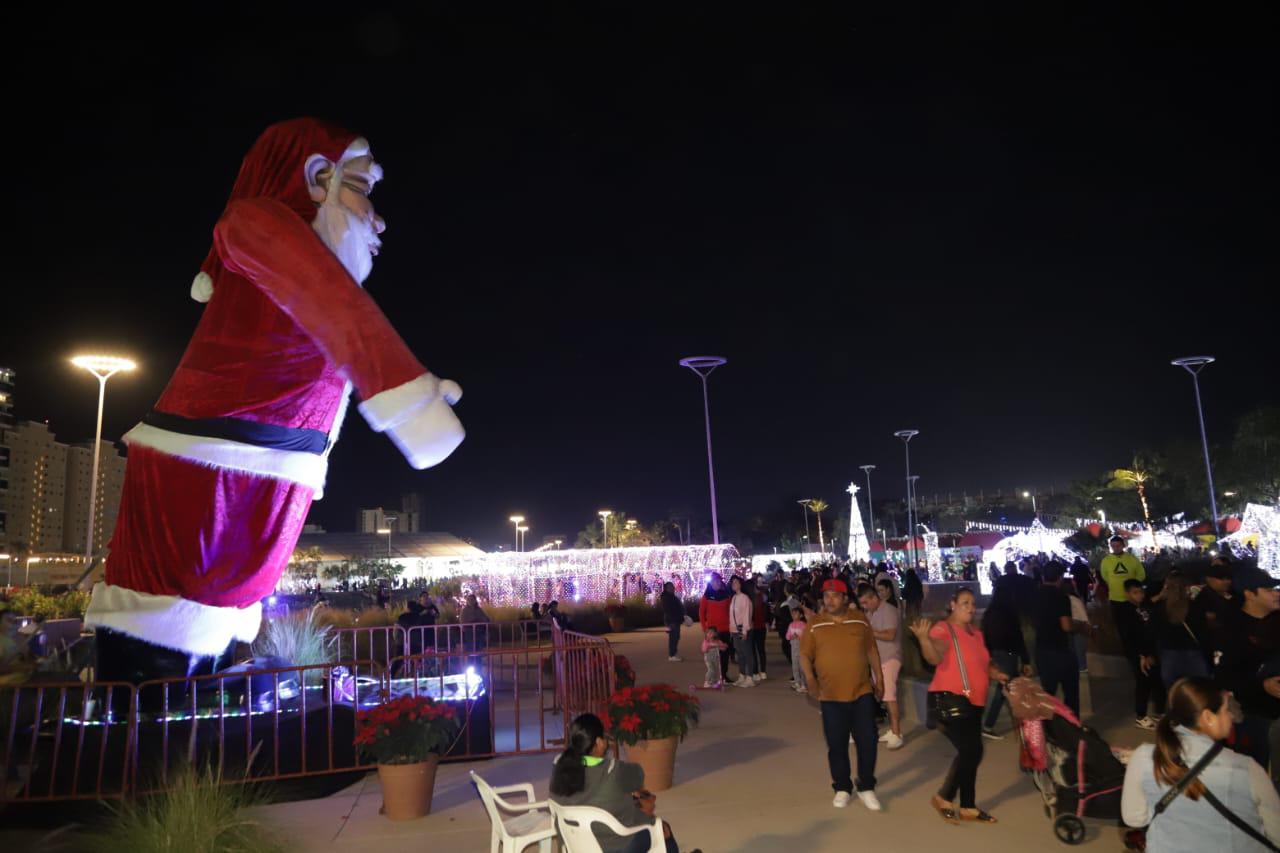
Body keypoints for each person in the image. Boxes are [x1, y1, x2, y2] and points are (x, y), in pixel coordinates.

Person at [84, 119, 465, 688]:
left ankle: (193, 721)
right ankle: (138, 722)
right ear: (316, 179)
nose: (379, 219)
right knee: (162, 629)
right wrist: (410, 401)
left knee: (223, 616)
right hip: (205, 467)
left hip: (269, 466)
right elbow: (333, 303)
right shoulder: (254, 224)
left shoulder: (317, 277)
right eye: (363, 188)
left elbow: (331, 309)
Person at [1122, 677, 1280, 852]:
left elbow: (1134, 818)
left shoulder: (1143, 757)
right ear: (1208, 717)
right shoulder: (1247, 769)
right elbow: (1277, 834)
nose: (1231, 716)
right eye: (1226, 710)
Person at [911, 587, 1005, 825]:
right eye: (965, 603)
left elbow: (983, 663)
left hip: (974, 702)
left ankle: (968, 806)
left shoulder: (976, 634)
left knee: (970, 752)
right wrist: (923, 639)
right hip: (949, 700)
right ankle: (944, 797)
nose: (971, 608)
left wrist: (997, 673)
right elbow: (934, 657)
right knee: (972, 750)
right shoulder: (944, 629)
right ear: (953, 605)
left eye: (973, 603)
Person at [550, 713, 693, 853]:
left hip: (576, 843)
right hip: (616, 846)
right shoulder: (612, 771)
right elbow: (638, 774)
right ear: (599, 742)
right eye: (604, 737)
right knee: (662, 828)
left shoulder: (558, 765)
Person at [799, 578, 884, 811]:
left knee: (868, 741)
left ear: (845, 598)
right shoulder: (815, 624)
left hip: (861, 691)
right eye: (826, 596)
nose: (830, 600)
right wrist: (810, 679)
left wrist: (879, 678)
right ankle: (842, 787)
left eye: (835, 595)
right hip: (830, 695)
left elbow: (871, 649)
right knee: (836, 744)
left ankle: (866, 785)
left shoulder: (860, 620)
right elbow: (805, 654)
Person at [1217, 566, 1280, 771]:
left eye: (1276, 589)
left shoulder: (1276, 620)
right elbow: (1224, 677)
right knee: (1256, 770)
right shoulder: (1232, 629)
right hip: (1253, 715)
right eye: (1269, 590)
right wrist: (1262, 685)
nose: (1276, 594)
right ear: (1249, 594)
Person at [980, 578, 1030, 739]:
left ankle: (992, 724)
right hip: (1009, 654)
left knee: (1005, 688)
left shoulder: (989, 614)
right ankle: (991, 725)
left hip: (996, 653)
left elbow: (985, 637)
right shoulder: (1009, 614)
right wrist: (1026, 659)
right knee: (1006, 689)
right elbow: (1018, 638)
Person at [1114, 578, 1167, 730]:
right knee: (1143, 682)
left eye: (1141, 592)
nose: (1139, 595)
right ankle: (1141, 716)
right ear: (1127, 594)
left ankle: (1160, 712)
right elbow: (1129, 637)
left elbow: (1153, 604)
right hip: (1138, 653)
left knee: (1157, 681)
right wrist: (1141, 655)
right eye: (1135, 593)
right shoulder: (1125, 611)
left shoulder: (1144, 606)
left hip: (1152, 651)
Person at [857, 583, 904, 749]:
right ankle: (893, 731)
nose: (864, 606)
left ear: (874, 597)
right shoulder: (871, 613)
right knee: (884, 696)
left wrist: (869, 632)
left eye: (865, 602)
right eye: (862, 603)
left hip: (889, 658)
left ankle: (897, 733)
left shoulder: (889, 610)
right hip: (878, 660)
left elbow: (890, 635)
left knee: (889, 696)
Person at [1032, 561, 1082, 716]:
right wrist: (1081, 626)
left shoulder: (1035, 595)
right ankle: (1071, 724)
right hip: (1061, 649)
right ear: (1060, 577)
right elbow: (1066, 626)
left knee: (1048, 694)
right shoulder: (1061, 597)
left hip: (1042, 649)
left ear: (1043, 576)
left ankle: (1049, 727)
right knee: (1071, 693)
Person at [1154, 572, 1211, 689]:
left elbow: (1153, 632)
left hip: (1169, 654)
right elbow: (1203, 631)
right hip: (1193, 653)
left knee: (1174, 691)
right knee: (1199, 689)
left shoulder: (1160, 609)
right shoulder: (1194, 606)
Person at [1101, 535, 1147, 624]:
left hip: (1132, 598)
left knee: (1135, 621)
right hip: (1115, 597)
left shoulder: (1132, 558)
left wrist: (1133, 586)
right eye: (1113, 546)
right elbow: (1105, 576)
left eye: (1118, 545)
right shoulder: (1106, 561)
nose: (1116, 548)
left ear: (1123, 545)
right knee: (1120, 621)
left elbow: (1141, 574)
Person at [698, 572, 733, 676]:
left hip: (726, 629)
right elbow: (701, 612)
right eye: (715, 581)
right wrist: (705, 628)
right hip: (713, 631)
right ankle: (715, 676)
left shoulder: (726, 595)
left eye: (719, 581)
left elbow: (730, 611)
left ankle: (724, 676)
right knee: (713, 656)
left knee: (725, 654)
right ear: (711, 583)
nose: (718, 583)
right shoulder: (706, 596)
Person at [728, 576, 757, 687]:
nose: (733, 584)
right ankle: (742, 675)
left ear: (741, 584)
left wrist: (745, 630)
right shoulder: (734, 597)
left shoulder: (745, 598)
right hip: (735, 629)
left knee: (747, 653)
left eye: (736, 582)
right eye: (732, 582)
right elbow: (732, 615)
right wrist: (731, 629)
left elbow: (746, 615)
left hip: (743, 628)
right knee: (739, 653)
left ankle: (750, 677)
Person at [747, 579, 769, 681]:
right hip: (759, 626)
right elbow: (766, 610)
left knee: (754, 651)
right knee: (760, 650)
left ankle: (756, 672)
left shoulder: (750, 598)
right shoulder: (761, 596)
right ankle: (762, 671)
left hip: (754, 627)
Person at [659, 582, 685, 662]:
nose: (673, 588)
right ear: (667, 588)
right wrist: (669, 622)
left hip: (675, 620)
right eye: (671, 587)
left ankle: (673, 653)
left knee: (676, 637)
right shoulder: (667, 598)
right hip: (672, 620)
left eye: (673, 586)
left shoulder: (671, 596)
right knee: (673, 637)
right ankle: (672, 655)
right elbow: (668, 610)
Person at [786, 609, 809, 693]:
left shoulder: (803, 625)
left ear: (801, 615)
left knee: (802, 667)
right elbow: (787, 636)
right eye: (792, 614)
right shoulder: (791, 625)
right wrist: (791, 636)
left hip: (801, 648)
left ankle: (804, 684)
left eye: (796, 614)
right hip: (793, 648)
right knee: (795, 666)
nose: (793, 615)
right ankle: (797, 682)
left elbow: (807, 637)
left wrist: (799, 637)